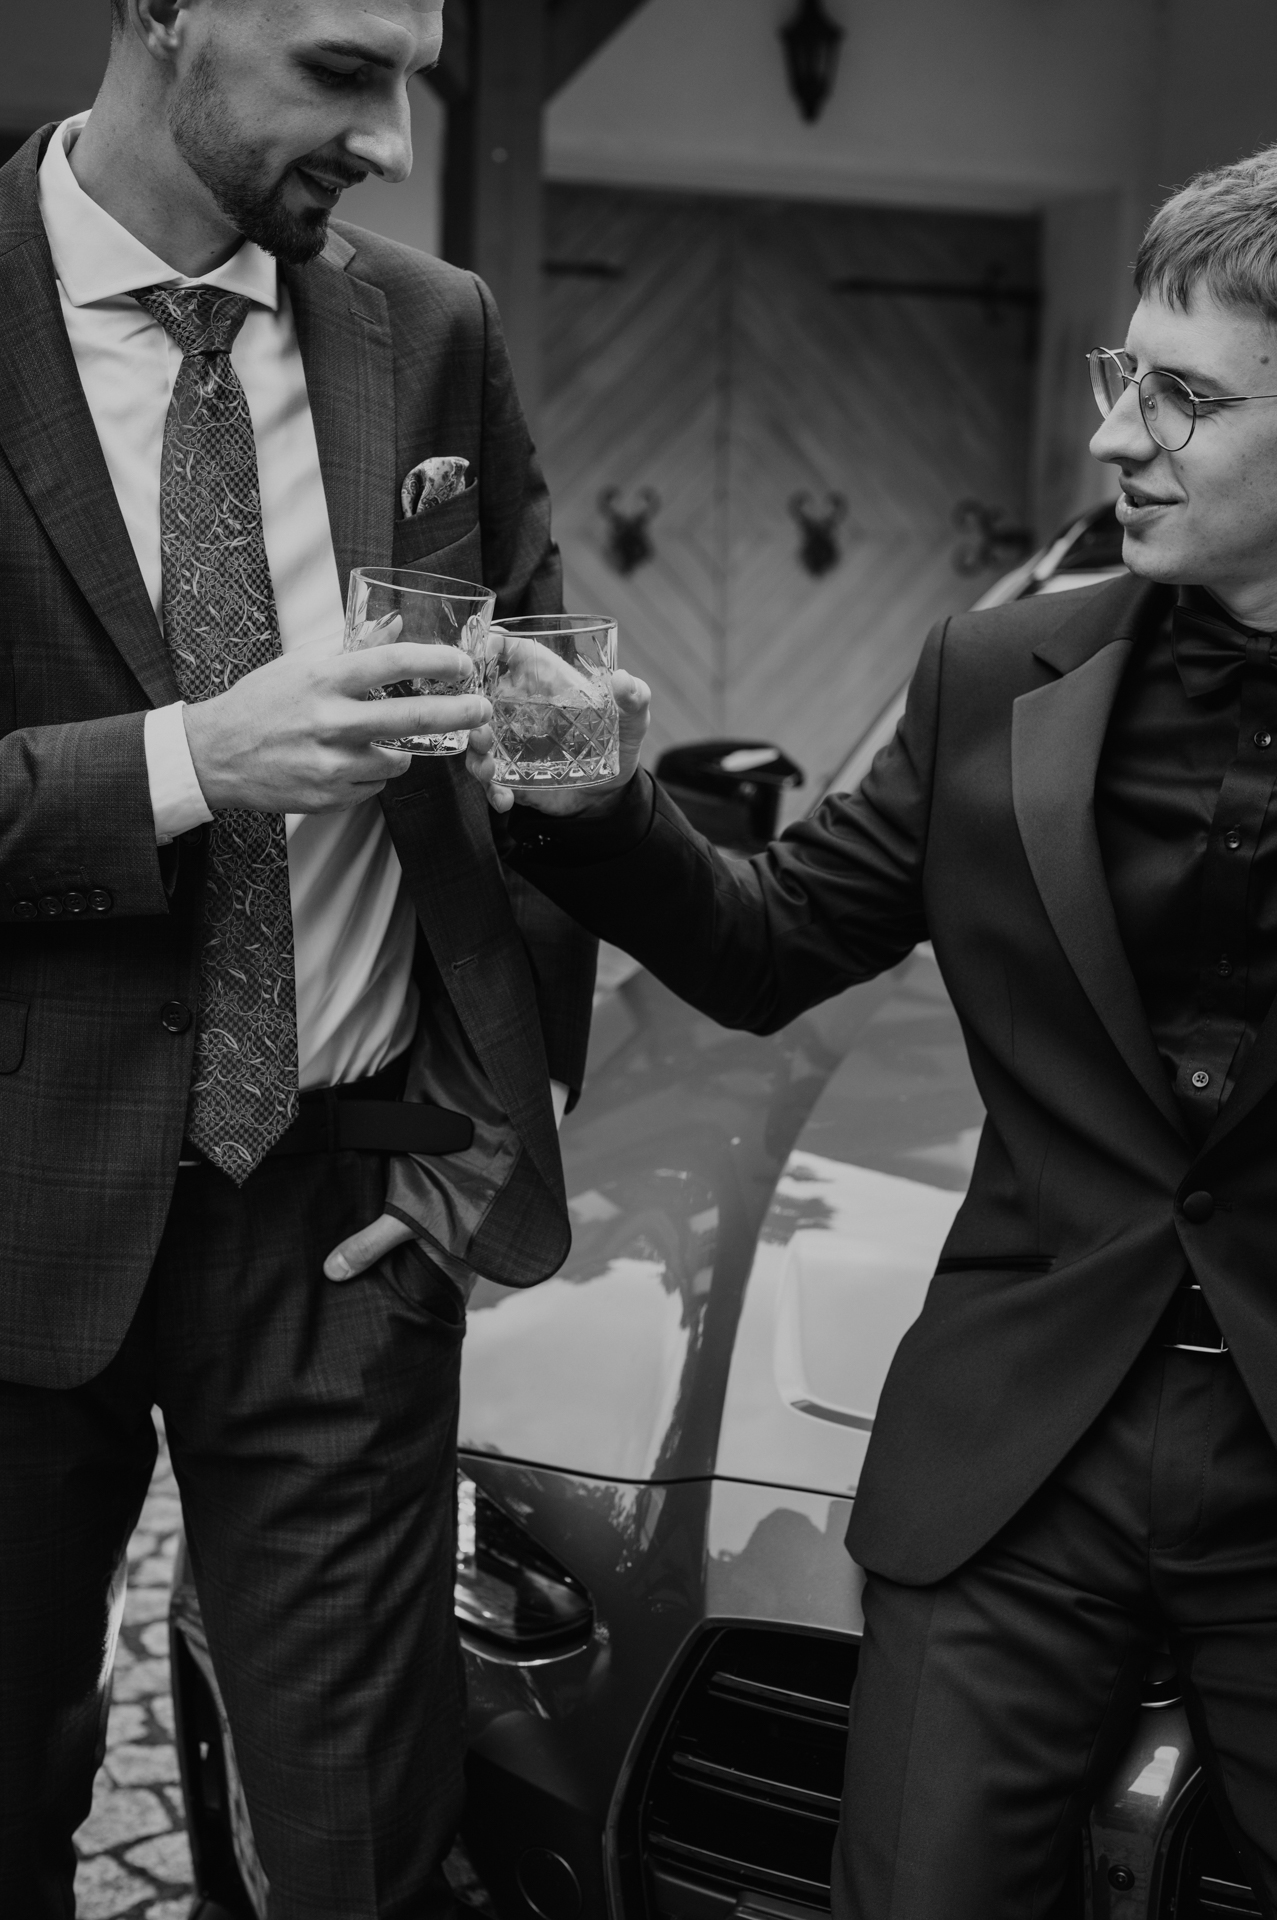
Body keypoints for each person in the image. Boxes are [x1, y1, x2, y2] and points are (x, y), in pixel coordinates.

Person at [469, 148, 1277, 1914]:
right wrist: (599, 807)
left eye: (1184, 398)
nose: (1112, 436)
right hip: (1018, 1460)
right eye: (1120, 376)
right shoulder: (992, 676)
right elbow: (769, 946)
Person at [0, 0, 596, 1912]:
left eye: (410, 72)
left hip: (341, 1215)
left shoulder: (432, 326)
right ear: (159, 13)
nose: (396, 137)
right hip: (12, 1205)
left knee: (358, 1845)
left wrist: (483, 1129)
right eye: (344, 71)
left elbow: (532, 737)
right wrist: (193, 760)